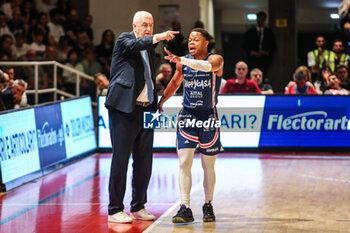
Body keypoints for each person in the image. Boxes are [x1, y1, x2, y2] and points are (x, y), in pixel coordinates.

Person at [104, 10, 178, 223]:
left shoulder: (147, 48)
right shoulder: (124, 40)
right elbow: (135, 44)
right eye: (144, 25)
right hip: (124, 108)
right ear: (134, 26)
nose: (147, 28)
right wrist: (158, 37)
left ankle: (138, 206)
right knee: (121, 159)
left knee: (145, 161)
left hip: (147, 109)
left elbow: (147, 75)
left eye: (150, 25)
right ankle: (114, 209)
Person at [158, 28, 224, 223]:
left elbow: (206, 67)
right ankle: (185, 207)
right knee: (184, 163)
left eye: (196, 39)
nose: (191, 43)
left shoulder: (216, 60)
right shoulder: (183, 63)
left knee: (208, 165)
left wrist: (181, 60)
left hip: (208, 117)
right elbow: (175, 83)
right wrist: (162, 101)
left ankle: (208, 204)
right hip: (187, 115)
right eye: (189, 40)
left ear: (206, 43)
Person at [243, 11, 276, 78]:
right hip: (252, 59)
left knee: (264, 75)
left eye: (262, 19)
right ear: (257, 19)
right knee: (252, 74)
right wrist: (252, 52)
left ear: (264, 20)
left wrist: (265, 52)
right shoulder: (250, 32)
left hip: (265, 60)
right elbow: (244, 45)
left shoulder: (269, 32)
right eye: (259, 18)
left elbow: (273, 46)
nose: (261, 20)